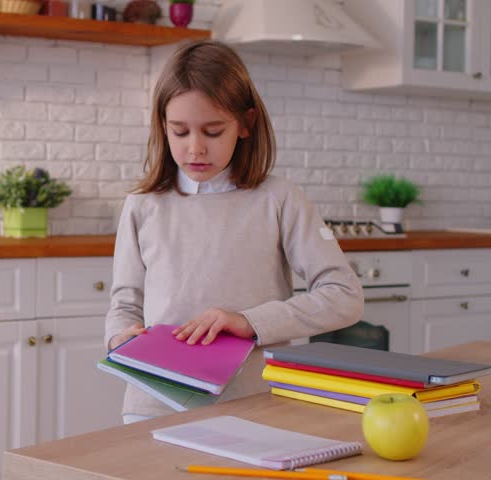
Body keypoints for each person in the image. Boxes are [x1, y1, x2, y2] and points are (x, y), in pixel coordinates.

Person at [104, 40, 364, 425]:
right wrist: (119, 337)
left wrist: (249, 322)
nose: (195, 149)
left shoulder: (279, 200)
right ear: (163, 126)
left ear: (246, 123)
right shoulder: (142, 204)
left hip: (255, 405)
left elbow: (345, 297)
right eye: (179, 131)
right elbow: (125, 303)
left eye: (212, 131)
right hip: (150, 406)